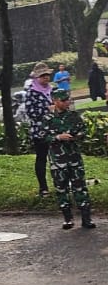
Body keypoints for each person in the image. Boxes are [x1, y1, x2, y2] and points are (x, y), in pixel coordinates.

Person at [42, 88, 96, 230]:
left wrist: (76, 136)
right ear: (55, 101)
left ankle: (86, 218)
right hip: (58, 160)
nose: (67, 102)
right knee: (61, 189)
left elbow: (83, 131)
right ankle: (67, 218)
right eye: (64, 100)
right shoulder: (48, 119)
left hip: (74, 158)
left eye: (68, 100)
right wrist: (58, 137)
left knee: (80, 187)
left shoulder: (73, 116)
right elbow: (42, 137)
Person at [24, 63, 55, 197]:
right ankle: (43, 187)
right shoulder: (31, 93)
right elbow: (31, 113)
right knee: (41, 158)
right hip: (40, 131)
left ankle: (61, 184)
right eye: (43, 76)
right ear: (37, 78)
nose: (46, 78)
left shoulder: (52, 90)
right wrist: (47, 110)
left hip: (55, 129)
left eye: (47, 75)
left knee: (58, 158)